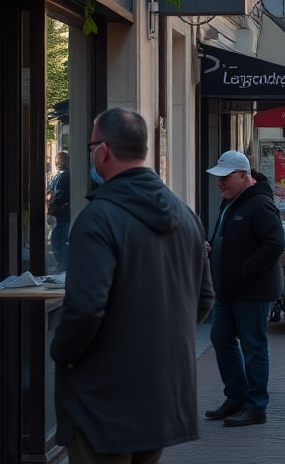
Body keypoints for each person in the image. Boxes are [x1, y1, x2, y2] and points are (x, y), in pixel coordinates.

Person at [51, 108, 213, 464]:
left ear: (102, 151)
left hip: (103, 399)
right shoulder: (186, 215)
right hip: (161, 394)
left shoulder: (98, 218)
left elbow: (86, 308)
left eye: (90, 146)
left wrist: (61, 353)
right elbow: (204, 298)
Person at [205, 150, 285, 427]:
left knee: (253, 346)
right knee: (221, 338)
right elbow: (230, 237)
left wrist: (243, 270)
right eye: (218, 178)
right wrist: (213, 245)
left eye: (225, 178)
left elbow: (274, 245)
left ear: (243, 176)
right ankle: (236, 398)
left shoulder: (259, 204)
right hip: (228, 289)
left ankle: (256, 406)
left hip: (252, 290)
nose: (220, 183)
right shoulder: (232, 201)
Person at [46, 150, 70, 272]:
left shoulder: (65, 176)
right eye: (59, 160)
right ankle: (63, 265)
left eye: (62, 160)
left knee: (59, 240)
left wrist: (52, 208)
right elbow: (50, 191)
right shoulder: (58, 176)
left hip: (63, 214)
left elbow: (61, 196)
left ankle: (64, 265)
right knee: (57, 240)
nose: (60, 163)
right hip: (59, 215)